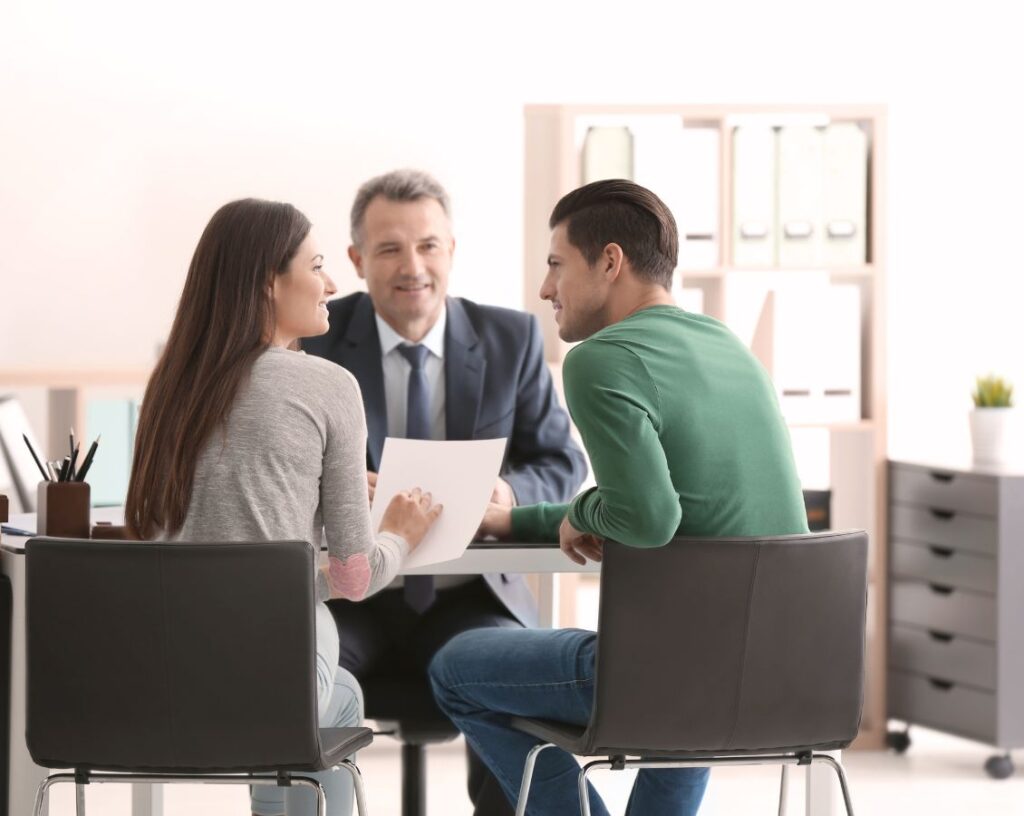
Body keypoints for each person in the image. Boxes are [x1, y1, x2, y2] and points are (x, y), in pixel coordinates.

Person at [428, 179, 810, 816]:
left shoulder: (602, 358)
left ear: (609, 261)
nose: (545, 289)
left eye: (555, 265)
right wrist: (519, 518)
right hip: (779, 673)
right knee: (685, 682)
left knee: (454, 667)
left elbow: (649, 517)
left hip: (671, 677)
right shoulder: (726, 346)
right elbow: (658, 500)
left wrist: (582, 510)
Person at [125, 198, 442, 816]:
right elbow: (354, 577)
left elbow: (170, 538)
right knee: (321, 705)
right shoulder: (327, 385)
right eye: (319, 265)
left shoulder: (170, 384)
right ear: (268, 283)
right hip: (273, 675)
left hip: (163, 672)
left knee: (344, 696)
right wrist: (400, 535)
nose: (331, 284)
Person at [302, 169, 587, 815]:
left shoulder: (509, 338)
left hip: (469, 595)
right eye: (389, 248)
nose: (413, 267)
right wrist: (336, 486)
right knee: (292, 676)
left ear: (452, 250)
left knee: (514, 682)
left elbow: (561, 459)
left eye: (429, 245)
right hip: (354, 591)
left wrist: (509, 494)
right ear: (356, 260)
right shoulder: (315, 341)